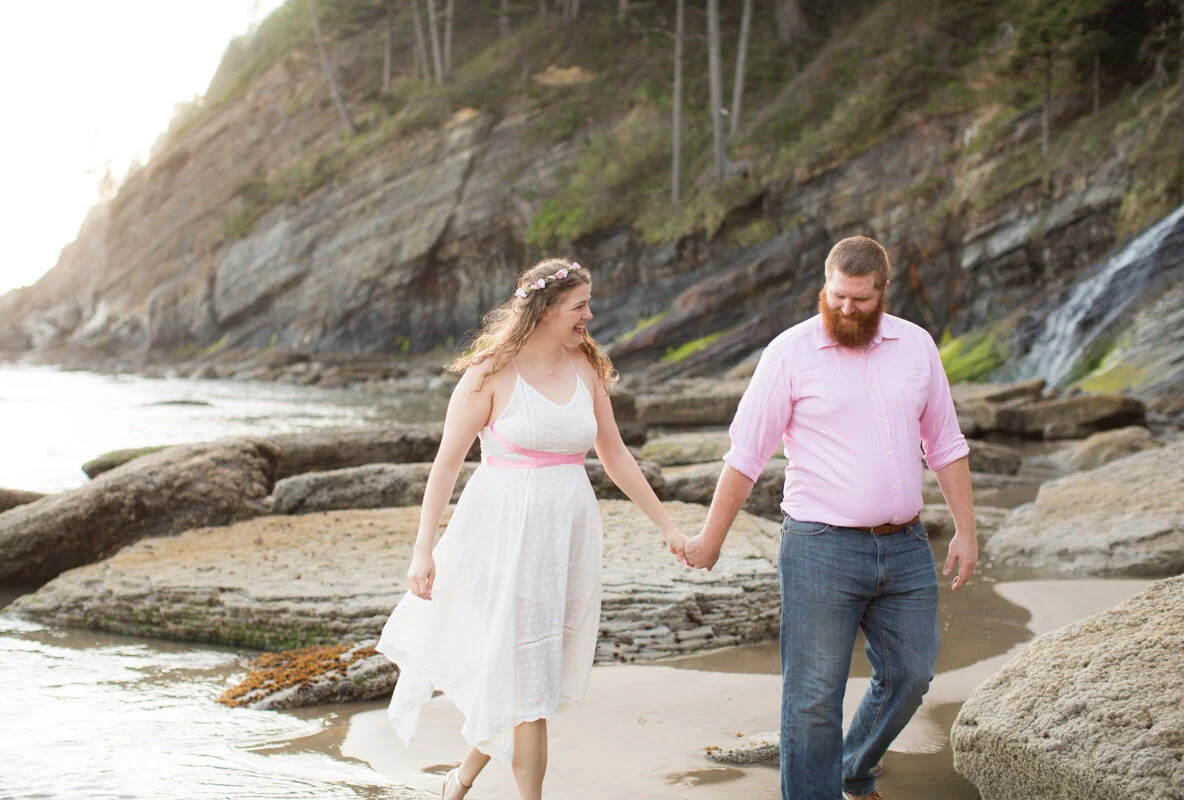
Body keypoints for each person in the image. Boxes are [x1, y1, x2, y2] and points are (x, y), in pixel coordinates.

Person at [375, 258, 688, 800]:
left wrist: (668, 525)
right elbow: (446, 464)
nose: (589, 315)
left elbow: (614, 455)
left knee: (527, 671)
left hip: (565, 534)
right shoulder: (490, 374)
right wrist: (423, 550)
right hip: (503, 534)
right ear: (544, 310)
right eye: (579, 306)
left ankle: (459, 781)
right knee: (531, 679)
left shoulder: (587, 366)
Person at [683, 236, 977, 800]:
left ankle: (853, 765)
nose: (845, 309)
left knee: (911, 676)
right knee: (813, 698)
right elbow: (746, 455)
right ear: (826, 285)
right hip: (820, 548)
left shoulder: (916, 347)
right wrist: (710, 539)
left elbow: (944, 443)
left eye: (859, 300)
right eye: (836, 295)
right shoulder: (789, 354)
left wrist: (965, 529)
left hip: (907, 547)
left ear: (883, 293)